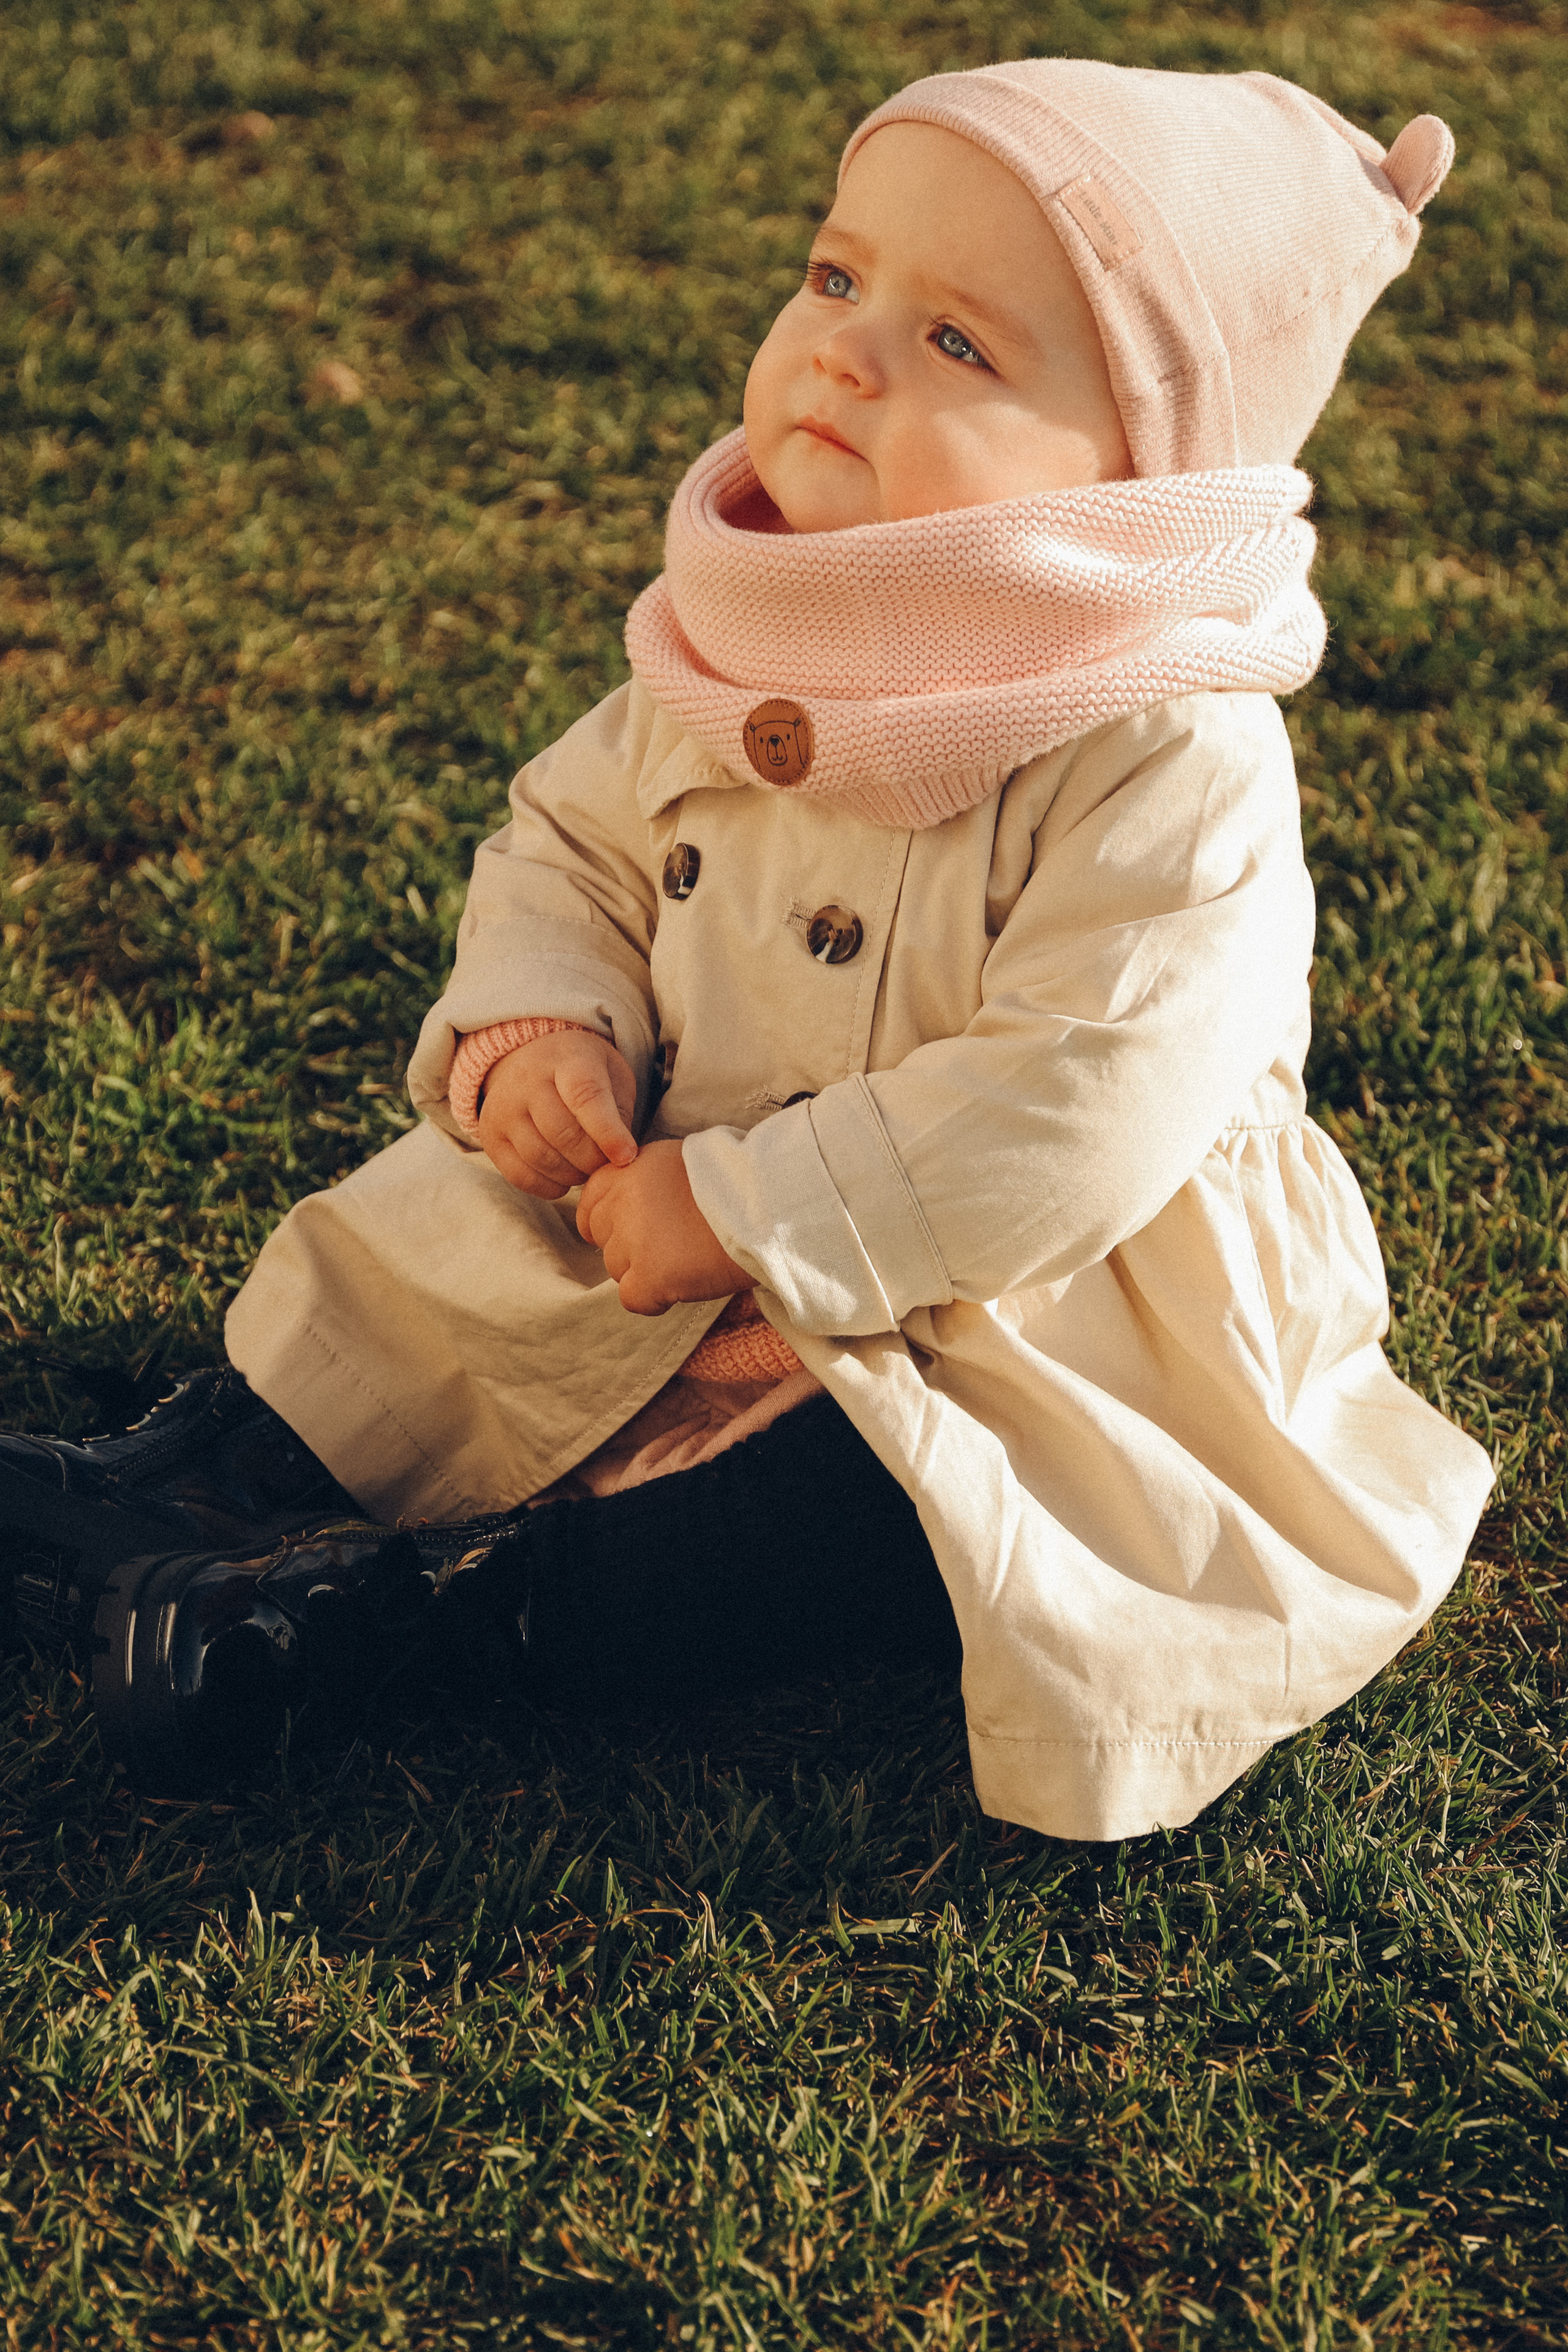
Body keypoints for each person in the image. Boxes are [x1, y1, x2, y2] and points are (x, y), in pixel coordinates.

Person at [0, 60, 1494, 1836]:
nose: (846, 353)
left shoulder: (1161, 748)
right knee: (428, 1251)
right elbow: (578, 839)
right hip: (668, 1179)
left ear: (1149, 474)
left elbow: (1090, 1096)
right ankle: (198, 1474)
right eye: (838, 278)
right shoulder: (764, 613)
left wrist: (762, 1211)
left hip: (1019, 1290)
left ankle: (416, 1623)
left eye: (960, 348)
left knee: (878, 1506)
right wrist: (547, 1022)